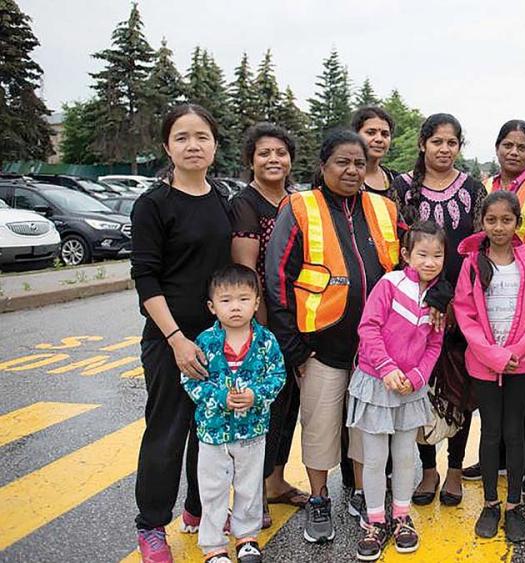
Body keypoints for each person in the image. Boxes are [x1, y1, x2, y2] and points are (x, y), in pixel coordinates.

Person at [266, 128, 401, 545]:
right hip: (319, 347)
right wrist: (296, 348)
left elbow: (405, 270)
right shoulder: (300, 206)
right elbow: (278, 278)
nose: (352, 169)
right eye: (342, 161)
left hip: (372, 351)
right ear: (323, 165)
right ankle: (321, 498)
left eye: (359, 163)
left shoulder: (384, 208)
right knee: (320, 427)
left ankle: (362, 495)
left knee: (366, 429)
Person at [130, 103, 233, 563]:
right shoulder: (154, 204)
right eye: (182, 137)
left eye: (202, 137)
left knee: (209, 432)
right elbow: (146, 279)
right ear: (167, 146)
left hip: (216, 339)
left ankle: (197, 510)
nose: (193, 146)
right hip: (170, 340)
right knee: (167, 434)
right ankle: (151, 525)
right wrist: (175, 340)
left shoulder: (222, 200)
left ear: (214, 144)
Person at [392, 113, 487, 507]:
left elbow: (481, 248)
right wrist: (426, 296)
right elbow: (396, 247)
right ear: (422, 144)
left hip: (464, 307)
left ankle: (454, 470)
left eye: (452, 143)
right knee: (421, 388)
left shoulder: (473, 188)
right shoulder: (404, 188)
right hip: (414, 306)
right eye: (437, 142)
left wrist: (453, 299)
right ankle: (427, 469)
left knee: (460, 389)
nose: (444, 149)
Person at [346, 221, 448, 560]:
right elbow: (368, 328)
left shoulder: (439, 298)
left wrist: (418, 377)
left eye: (438, 255)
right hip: (377, 383)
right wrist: (388, 369)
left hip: (411, 388)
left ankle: (402, 517)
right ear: (405, 254)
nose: (430, 262)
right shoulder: (390, 284)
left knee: (405, 456)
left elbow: (435, 345)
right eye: (422, 254)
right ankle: (374, 520)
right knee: (375, 458)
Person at [462, 120, 525, 498]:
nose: (514, 152)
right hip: (487, 288)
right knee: (493, 408)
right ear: (497, 147)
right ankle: (495, 458)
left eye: (522, 146)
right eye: (507, 145)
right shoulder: (484, 186)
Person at [230, 123, 308, 526]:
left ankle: (276, 482)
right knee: (264, 410)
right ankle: (253, 493)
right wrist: (262, 331)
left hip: (298, 318)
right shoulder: (246, 203)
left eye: (280, 152)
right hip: (266, 323)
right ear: (251, 160)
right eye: (264, 153)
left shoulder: (298, 201)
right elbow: (247, 275)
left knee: (290, 404)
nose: (273, 159)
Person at [454, 191, 525, 543]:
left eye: (506, 220)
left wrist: (516, 351)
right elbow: (465, 312)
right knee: (490, 433)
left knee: (514, 432)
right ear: (482, 222)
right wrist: (492, 354)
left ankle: (514, 505)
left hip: (522, 361)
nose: (499, 227)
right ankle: (490, 503)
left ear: (517, 222)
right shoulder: (472, 263)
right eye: (492, 220)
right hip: (483, 363)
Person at [182, 264, 286, 563]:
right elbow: (190, 381)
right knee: (213, 489)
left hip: (252, 430)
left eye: (243, 299)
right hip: (213, 432)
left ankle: (247, 538)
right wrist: (219, 398)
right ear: (212, 307)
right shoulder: (204, 342)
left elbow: (277, 377)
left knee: (249, 486)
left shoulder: (266, 341)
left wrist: (256, 395)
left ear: (256, 303)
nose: (235, 307)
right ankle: (213, 546)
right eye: (226, 301)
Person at [353, 106, 400, 205]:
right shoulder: (344, 178)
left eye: (385, 134)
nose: (379, 139)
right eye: (371, 133)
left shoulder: (396, 180)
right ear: (355, 135)